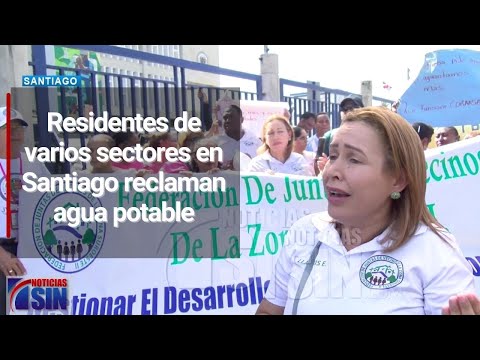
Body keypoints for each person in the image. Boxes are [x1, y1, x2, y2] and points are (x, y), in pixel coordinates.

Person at [256, 107, 479, 315]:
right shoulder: (304, 232)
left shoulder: (435, 252)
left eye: (354, 159)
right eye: (333, 156)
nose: (332, 171)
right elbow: (269, 310)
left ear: (398, 180)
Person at [0, 107, 51, 315]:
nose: (16, 134)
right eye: (9, 129)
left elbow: (53, 200)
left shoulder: (34, 164)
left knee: (40, 308)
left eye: (20, 128)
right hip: (3, 253)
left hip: (33, 250)